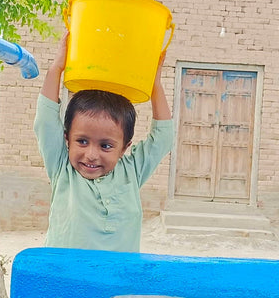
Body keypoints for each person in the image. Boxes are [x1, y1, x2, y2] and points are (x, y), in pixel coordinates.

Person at [34, 32, 174, 252]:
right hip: (67, 282)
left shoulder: (132, 171)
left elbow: (163, 138)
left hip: (117, 285)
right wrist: (56, 68)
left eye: (106, 146)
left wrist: (155, 84)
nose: (91, 154)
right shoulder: (63, 170)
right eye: (82, 141)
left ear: (124, 147)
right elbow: (45, 122)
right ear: (66, 138)